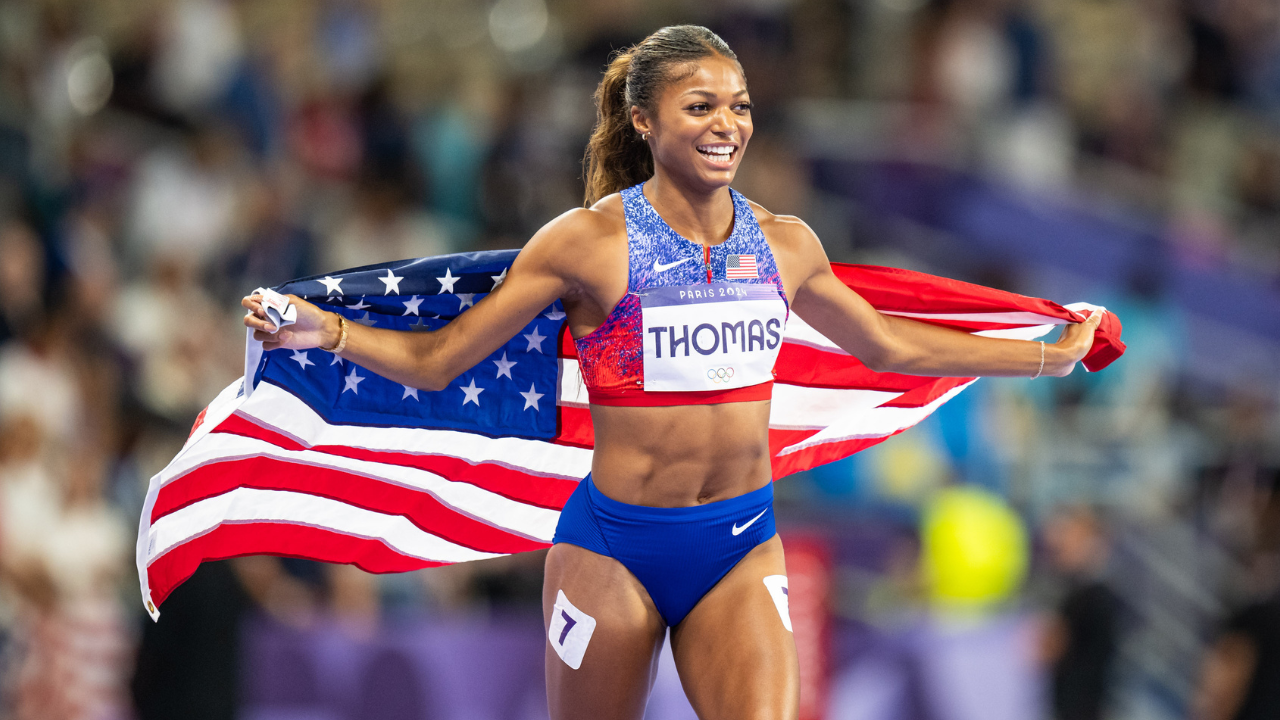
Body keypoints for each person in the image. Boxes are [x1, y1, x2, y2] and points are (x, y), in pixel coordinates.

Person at [242, 25, 1105, 720]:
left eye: (739, 104)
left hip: (737, 544)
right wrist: (327, 332)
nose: (728, 122)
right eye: (700, 106)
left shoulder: (785, 243)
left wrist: (1041, 355)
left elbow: (891, 348)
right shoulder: (588, 244)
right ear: (645, 122)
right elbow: (439, 362)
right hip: (611, 551)